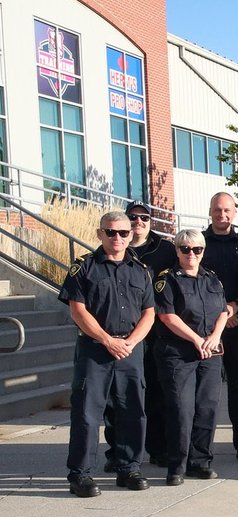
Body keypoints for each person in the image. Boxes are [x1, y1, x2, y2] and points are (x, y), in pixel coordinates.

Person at [59, 211, 155, 496]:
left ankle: (128, 468)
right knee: (87, 414)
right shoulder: (84, 267)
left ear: (131, 235)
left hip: (130, 350)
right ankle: (81, 475)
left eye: (123, 233)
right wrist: (106, 340)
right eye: (111, 232)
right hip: (95, 350)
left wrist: (131, 342)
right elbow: (77, 310)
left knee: (132, 411)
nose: (117, 238)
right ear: (99, 234)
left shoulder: (140, 270)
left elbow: (149, 313)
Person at [153, 229, 227, 485]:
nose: (191, 254)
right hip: (178, 352)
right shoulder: (167, 279)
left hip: (210, 351)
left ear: (203, 251)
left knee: (207, 407)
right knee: (181, 410)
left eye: (197, 249)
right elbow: (167, 316)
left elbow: (223, 311)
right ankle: (177, 466)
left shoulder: (212, 279)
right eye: (185, 249)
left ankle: (200, 462)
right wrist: (196, 339)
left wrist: (215, 336)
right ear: (177, 250)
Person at [107, 200, 174, 468]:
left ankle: (158, 449)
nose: (138, 222)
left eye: (144, 218)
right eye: (133, 217)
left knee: (157, 394)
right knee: (119, 398)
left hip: (156, 333)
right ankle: (117, 453)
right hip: (122, 335)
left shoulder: (166, 250)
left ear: (151, 221)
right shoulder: (113, 247)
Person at [200, 192, 238, 463]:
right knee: (205, 392)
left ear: (234, 212)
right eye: (217, 209)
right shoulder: (198, 243)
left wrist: (235, 308)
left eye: (227, 210)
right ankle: (199, 451)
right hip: (205, 328)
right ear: (210, 211)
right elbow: (193, 282)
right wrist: (221, 314)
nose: (222, 214)